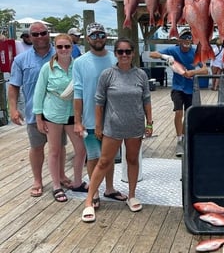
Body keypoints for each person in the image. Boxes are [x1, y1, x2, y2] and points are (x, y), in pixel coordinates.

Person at [81, 38, 153, 222]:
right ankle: (89, 200)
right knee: (104, 162)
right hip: (112, 127)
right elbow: (99, 102)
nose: (124, 55)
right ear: (116, 54)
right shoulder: (107, 74)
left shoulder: (141, 75)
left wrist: (149, 123)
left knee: (132, 160)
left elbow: (146, 100)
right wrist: (98, 126)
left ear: (133, 53)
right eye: (120, 52)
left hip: (135, 126)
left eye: (127, 51)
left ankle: (132, 195)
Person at [8, 22, 70, 197]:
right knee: (36, 147)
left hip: (59, 111)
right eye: (35, 34)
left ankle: (61, 175)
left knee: (59, 147)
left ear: (48, 33)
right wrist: (13, 109)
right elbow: (13, 86)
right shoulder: (20, 60)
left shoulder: (61, 52)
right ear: (29, 37)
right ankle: (38, 180)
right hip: (33, 113)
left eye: (43, 33)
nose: (40, 36)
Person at [73, 22, 125, 209]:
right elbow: (78, 93)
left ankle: (109, 188)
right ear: (88, 39)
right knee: (93, 157)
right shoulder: (79, 62)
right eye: (94, 35)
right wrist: (77, 121)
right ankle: (93, 192)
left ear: (106, 37)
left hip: (113, 119)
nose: (98, 38)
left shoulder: (115, 58)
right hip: (89, 119)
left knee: (109, 157)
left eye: (101, 35)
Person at [32, 34, 87, 202]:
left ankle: (77, 181)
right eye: (60, 47)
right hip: (53, 114)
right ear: (54, 48)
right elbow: (39, 93)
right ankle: (56, 186)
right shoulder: (47, 68)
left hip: (73, 114)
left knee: (81, 149)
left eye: (67, 47)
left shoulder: (78, 66)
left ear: (72, 47)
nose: (63, 50)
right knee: (54, 151)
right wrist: (39, 117)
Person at [149, 30, 208, 157]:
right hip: (177, 87)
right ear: (179, 40)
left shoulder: (195, 52)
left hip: (190, 87)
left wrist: (192, 73)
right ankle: (179, 139)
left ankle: (185, 137)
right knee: (178, 112)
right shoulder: (173, 50)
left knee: (188, 114)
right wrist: (165, 57)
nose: (187, 40)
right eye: (184, 37)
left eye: (189, 37)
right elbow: (152, 54)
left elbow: (205, 69)